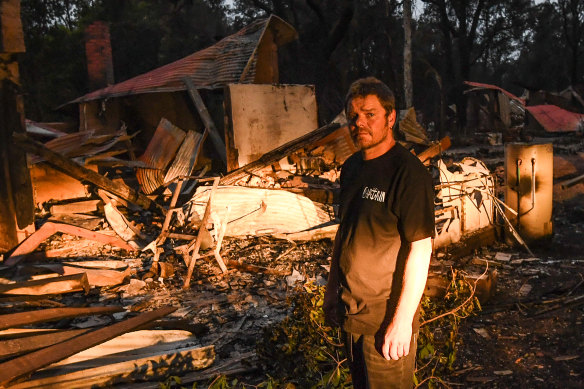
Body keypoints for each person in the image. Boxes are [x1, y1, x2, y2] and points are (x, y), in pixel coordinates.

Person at [324, 77, 435, 388]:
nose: (360, 123)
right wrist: (332, 292)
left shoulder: (408, 174)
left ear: (391, 117)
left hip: (385, 320)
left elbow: (421, 249)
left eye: (370, 114)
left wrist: (401, 322)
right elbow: (344, 235)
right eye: (354, 116)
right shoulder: (351, 168)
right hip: (352, 315)